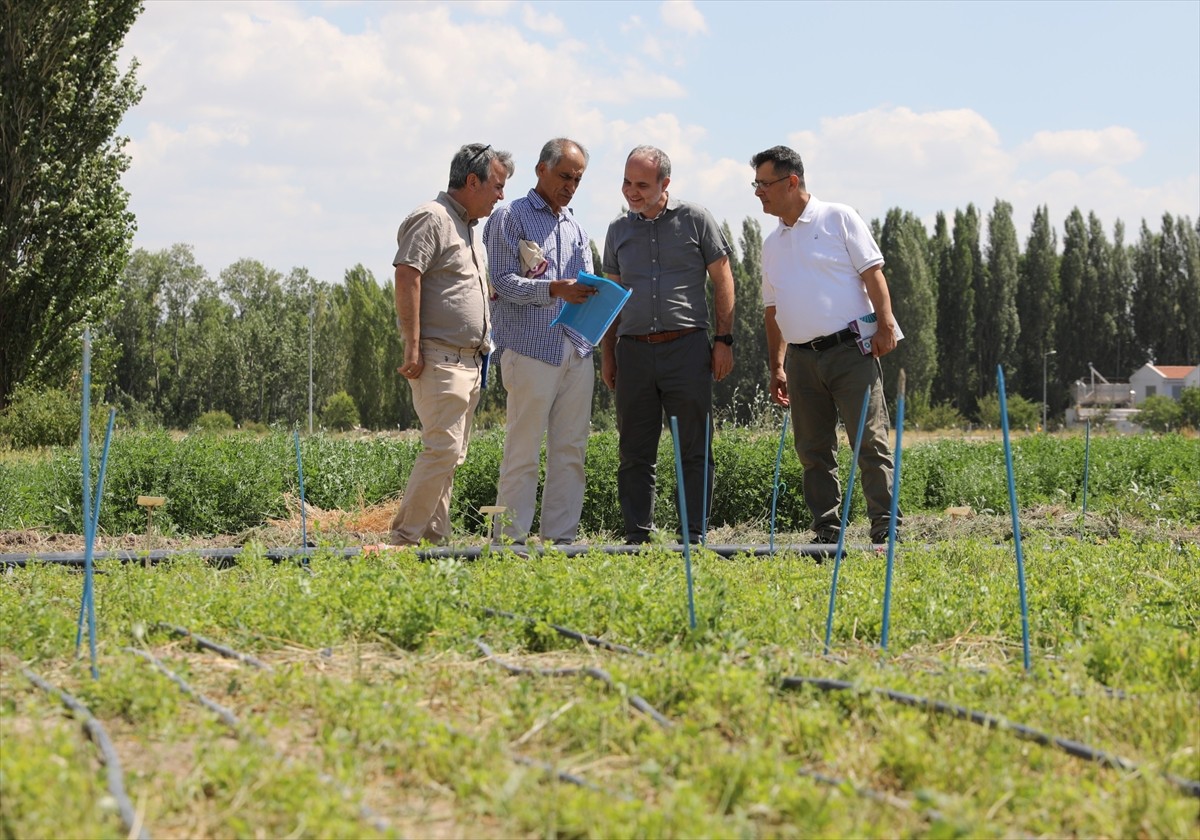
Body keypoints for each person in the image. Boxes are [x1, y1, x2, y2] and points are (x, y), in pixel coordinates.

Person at [750, 144, 901, 545]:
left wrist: (886, 324)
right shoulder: (772, 244)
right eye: (756, 184)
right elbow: (772, 310)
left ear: (792, 181)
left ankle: (886, 526)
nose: (757, 192)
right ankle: (827, 530)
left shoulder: (838, 217)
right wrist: (777, 366)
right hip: (801, 361)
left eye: (763, 184)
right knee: (813, 450)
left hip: (851, 352)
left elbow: (873, 274)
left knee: (869, 440)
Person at [601, 145, 735, 544]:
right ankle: (637, 537)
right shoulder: (616, 231)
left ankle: (693, 536)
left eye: (642, 184)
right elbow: (611, 295)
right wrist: (608, 354)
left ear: (665, 184)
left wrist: (723, 340)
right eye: (627, 182)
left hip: (688, 348)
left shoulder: (696, 220)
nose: (631, 191)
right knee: (634, 450)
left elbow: (723, 280)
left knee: (694, 448)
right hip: (634, 352)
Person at [388, 142, 514, 547]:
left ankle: (434, 540)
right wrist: (412, 345)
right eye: (496, 185)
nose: (501, 195)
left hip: (470, 363)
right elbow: (408, 274)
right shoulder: (433, 217)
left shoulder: (469, 230)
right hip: (440, 358)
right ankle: (403, 540)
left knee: (451, 455)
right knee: (442, 449)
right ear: (472, 181)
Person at [483, 138, 598, 544]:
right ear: (541, 170)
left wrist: (596, 297)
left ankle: (560, 542)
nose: (570, 185)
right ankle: (509, 543)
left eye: (578, 179)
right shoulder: (509, 217)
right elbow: (500, 280)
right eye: (565, 176)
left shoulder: (576, 228)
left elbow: (587, 287)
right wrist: (554, 289)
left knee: (570, 452)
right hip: (530, 349)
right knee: (523, 451)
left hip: (576, 351)